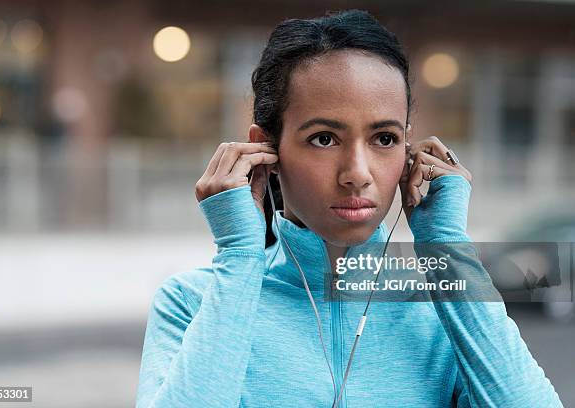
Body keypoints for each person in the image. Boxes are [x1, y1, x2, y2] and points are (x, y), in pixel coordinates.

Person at [135, 9, 563, 408]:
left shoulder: (446, 307)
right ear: (266, 147)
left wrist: (446, 249)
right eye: (324, 138)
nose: (358, 173)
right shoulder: (193, 302)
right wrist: (240, 259)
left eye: (384, 139)